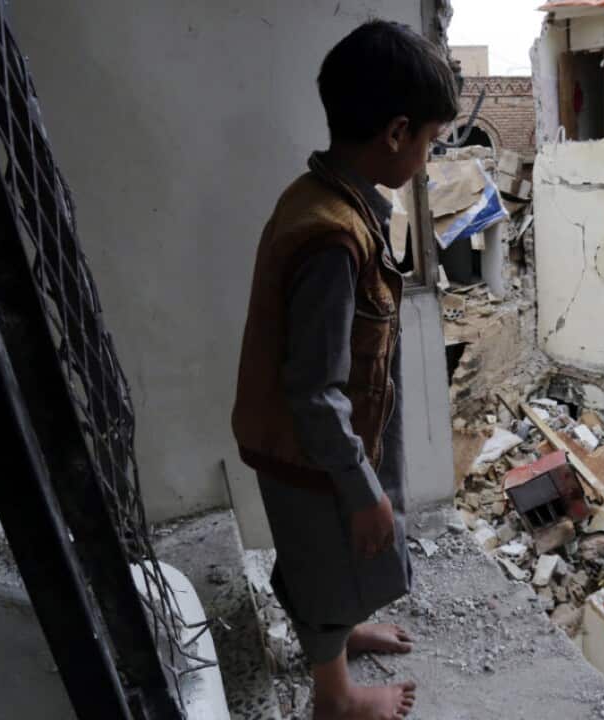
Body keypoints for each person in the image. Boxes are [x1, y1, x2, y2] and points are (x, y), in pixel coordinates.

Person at [231, 21, 457, 720]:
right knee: (327, 564)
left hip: (303, 445)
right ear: (395, 133)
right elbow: (314, 389)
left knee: (323, 564)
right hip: (313, 451)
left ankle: (338, 637)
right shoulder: (334, 237)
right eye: (429, 140)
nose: (427, 157)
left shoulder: (323, 196)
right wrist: (361, 489)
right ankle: (334, 698)